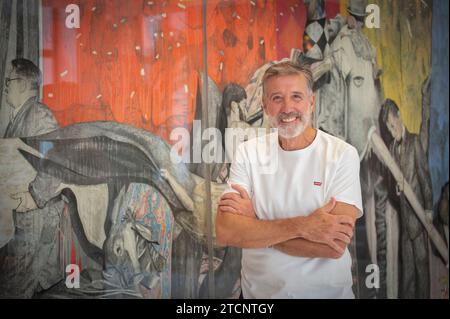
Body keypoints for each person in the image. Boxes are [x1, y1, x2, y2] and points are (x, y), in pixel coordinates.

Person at [215, 61, 363, 299]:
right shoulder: (248, 152)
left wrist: (256, 223)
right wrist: (304, 226)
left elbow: (332, 246)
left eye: (296, 97)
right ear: (265, 105)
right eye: (277, 98)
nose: (287, 108)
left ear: (311, 102)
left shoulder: (342, 155)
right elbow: (226, 231)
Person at [0, 58, 64, 298]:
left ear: (26, 84)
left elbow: (55, 161)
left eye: (10, 81)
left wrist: (34, 198)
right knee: (38, 283)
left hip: (36, 217)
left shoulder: (39, 114)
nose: (5, 86)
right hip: (23, 218)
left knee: (13, 287)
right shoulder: (17, 118)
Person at [379, 98, 433, 298]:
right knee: (408, 272)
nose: (393, 131)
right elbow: (393, 188)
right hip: (405, 219)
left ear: (400, 117)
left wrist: (428, 210)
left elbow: (425, 178)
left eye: (393, 125)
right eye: (389, 128)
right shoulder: (392, 149)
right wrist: (397, 191)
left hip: (419, 222)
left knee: (421, 268)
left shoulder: (416, 141)